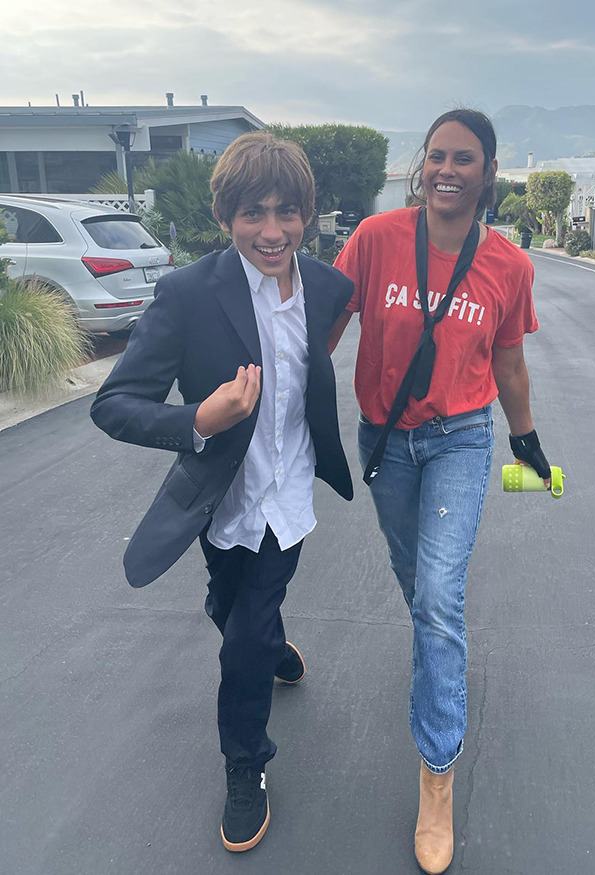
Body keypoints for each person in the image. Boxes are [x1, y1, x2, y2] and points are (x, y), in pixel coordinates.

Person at [90, 132, 353, 853]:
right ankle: (269, 647)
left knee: (244, 635)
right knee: (227, 603)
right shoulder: (187, 294)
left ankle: (246, 763)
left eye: (287, 211)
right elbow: (114, 405)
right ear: (224, 217)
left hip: (287, 494)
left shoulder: (327, 288)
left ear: (308, 214)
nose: (272, 231)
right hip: (220, 500)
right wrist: (199, 420)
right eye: (253, 213)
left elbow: (312, 370)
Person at [332, 108, 551, 875]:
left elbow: (510, 362)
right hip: (385, 440)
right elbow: (324, 329)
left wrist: (526, 440)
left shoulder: (509, 265)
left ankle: (437, 773)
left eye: (463, 159)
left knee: (436, 593)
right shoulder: (374, 239)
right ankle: (438, 652)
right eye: (436, 156)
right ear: (420, 165)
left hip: (460, 437)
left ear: (487, 173)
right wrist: (282, 406)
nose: (446, 170)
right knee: (418, 584)